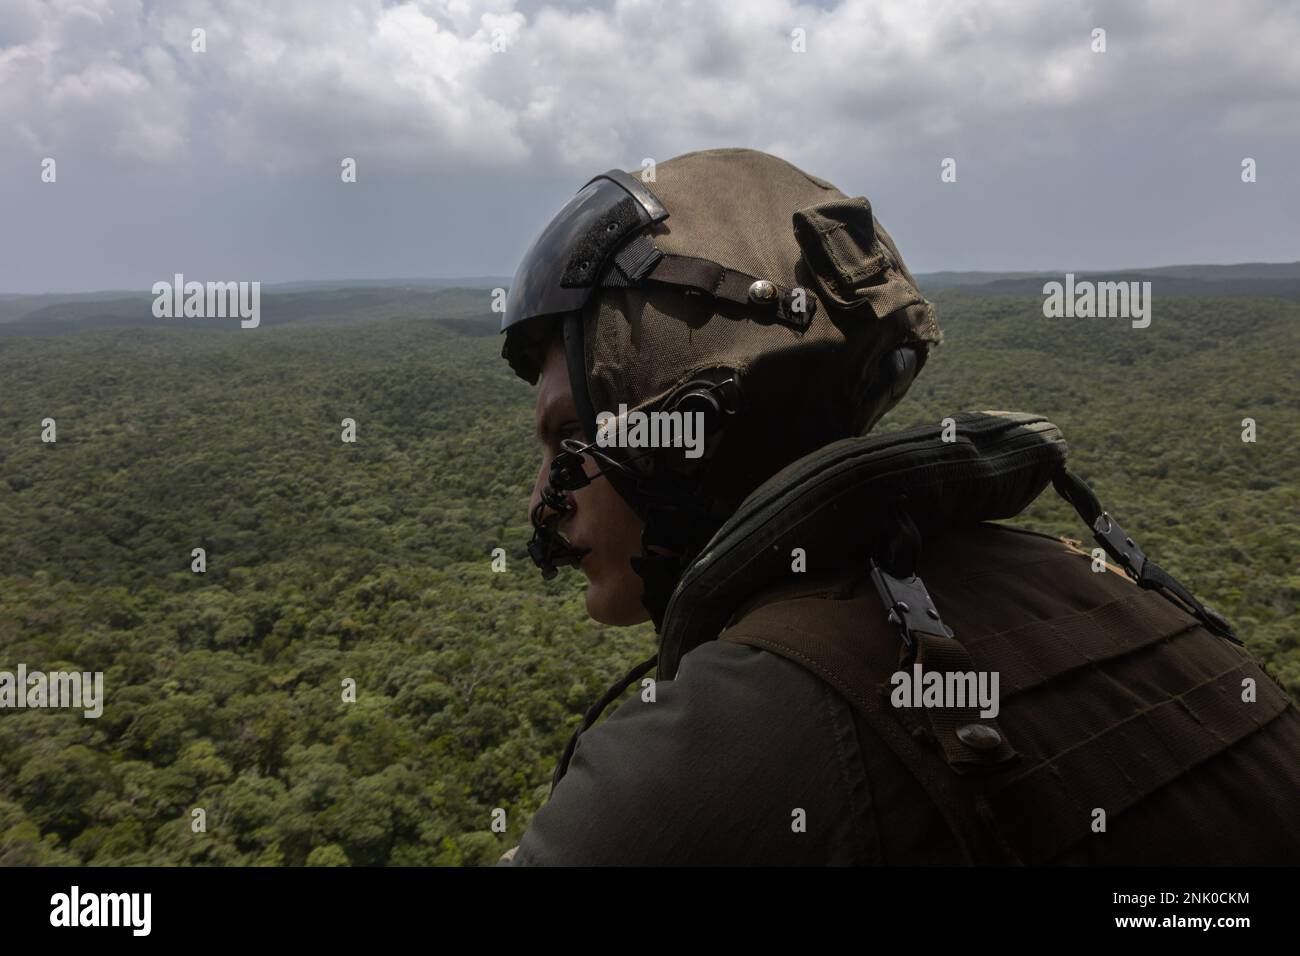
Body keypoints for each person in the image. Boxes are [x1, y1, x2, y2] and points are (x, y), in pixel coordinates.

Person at [496, 148, 1300, 865]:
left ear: (694, 431)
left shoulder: (697, 761)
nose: (542, 499)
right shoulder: (1096, 581)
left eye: (570, 438)